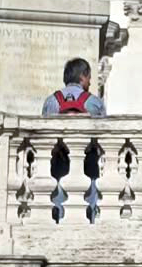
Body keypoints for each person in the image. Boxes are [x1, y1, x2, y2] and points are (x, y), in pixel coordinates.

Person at [43, 59, 104, 222]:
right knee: (87, 209)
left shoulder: (51, 101)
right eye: (89, 77)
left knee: (57, 204)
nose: (90, 82)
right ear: (82, 76)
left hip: (59, 163)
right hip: (87, 165)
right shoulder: (95, 103)